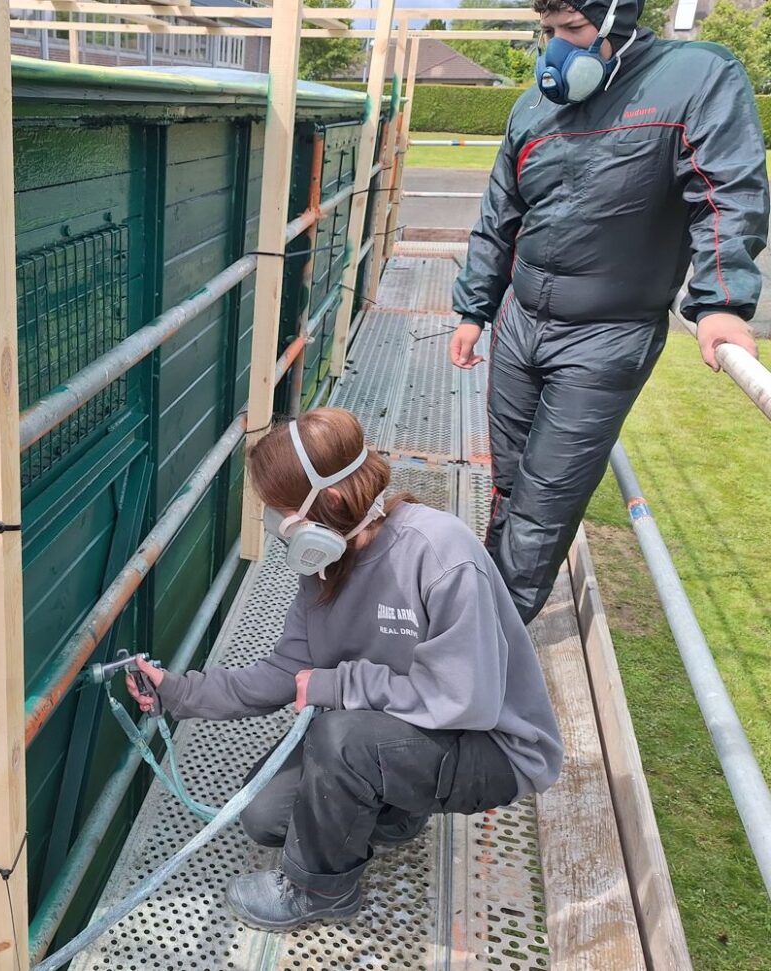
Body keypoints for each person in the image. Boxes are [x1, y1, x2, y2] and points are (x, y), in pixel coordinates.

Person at [126, 408, 563, 932]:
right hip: (407, 733)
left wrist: (338, 684)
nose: (274, 524)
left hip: (491, 745)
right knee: (266, 816)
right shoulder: (325, 568)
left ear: (329, 499)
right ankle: (397, 808)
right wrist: (177, 692)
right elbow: (282, 675)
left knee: (340, 736)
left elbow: (468, 699)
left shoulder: (439, 552)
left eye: (280, 510)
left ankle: (317, 892)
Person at [450, 0, 770, 624]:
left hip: (607, 334)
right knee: (510, 479)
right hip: (520, 325)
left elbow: (725, 192)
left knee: (549, 497)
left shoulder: (696, 78)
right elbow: (498, 219)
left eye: (573, 30)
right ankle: (481, 604)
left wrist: (722, 303)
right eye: (548, 33)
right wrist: (473, 310)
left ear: (620, 21)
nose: (558, 49)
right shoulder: (533, 107)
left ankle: (492, 639)